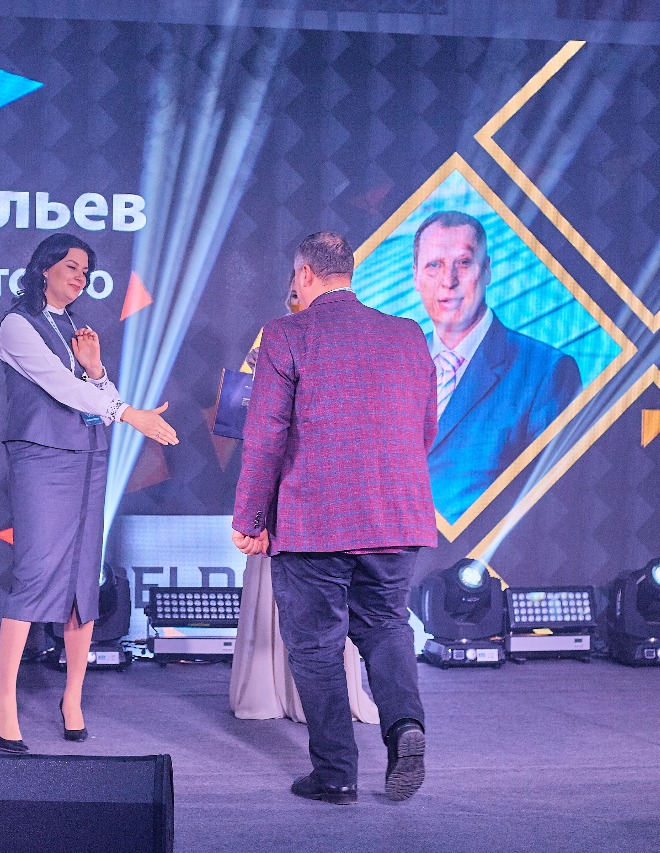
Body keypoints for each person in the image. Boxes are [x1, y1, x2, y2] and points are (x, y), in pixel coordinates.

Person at [233, 231, 438, 805]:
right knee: (386, 627)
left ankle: (336, 774)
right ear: (349, 271)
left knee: (317, 647)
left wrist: (251, 517)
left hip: (314, 521)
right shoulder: (408, 334)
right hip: (396, 514)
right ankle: (405, 728)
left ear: (304, 274)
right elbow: (425, 428)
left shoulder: (286, 333)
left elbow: (266, 437)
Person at [0, 233, 177, 753]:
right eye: (71, 266)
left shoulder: (74, 327)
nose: (80, 277)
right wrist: (128, 413)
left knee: (82, 579)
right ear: (44, 268)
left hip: (89, 458)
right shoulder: (17, 324)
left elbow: (96, 393)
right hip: (42, 458)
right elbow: (62, 388)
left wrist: (97, 369)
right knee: (34, 573)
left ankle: (72, 698)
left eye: (86, 271)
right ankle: (3, 702)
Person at [412, 210, 582, 521]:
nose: (448, 281)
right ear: (415, 277)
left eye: (464, 263)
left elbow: (552, 507)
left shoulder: (547, 373)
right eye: (434, 265)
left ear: (487, 270)